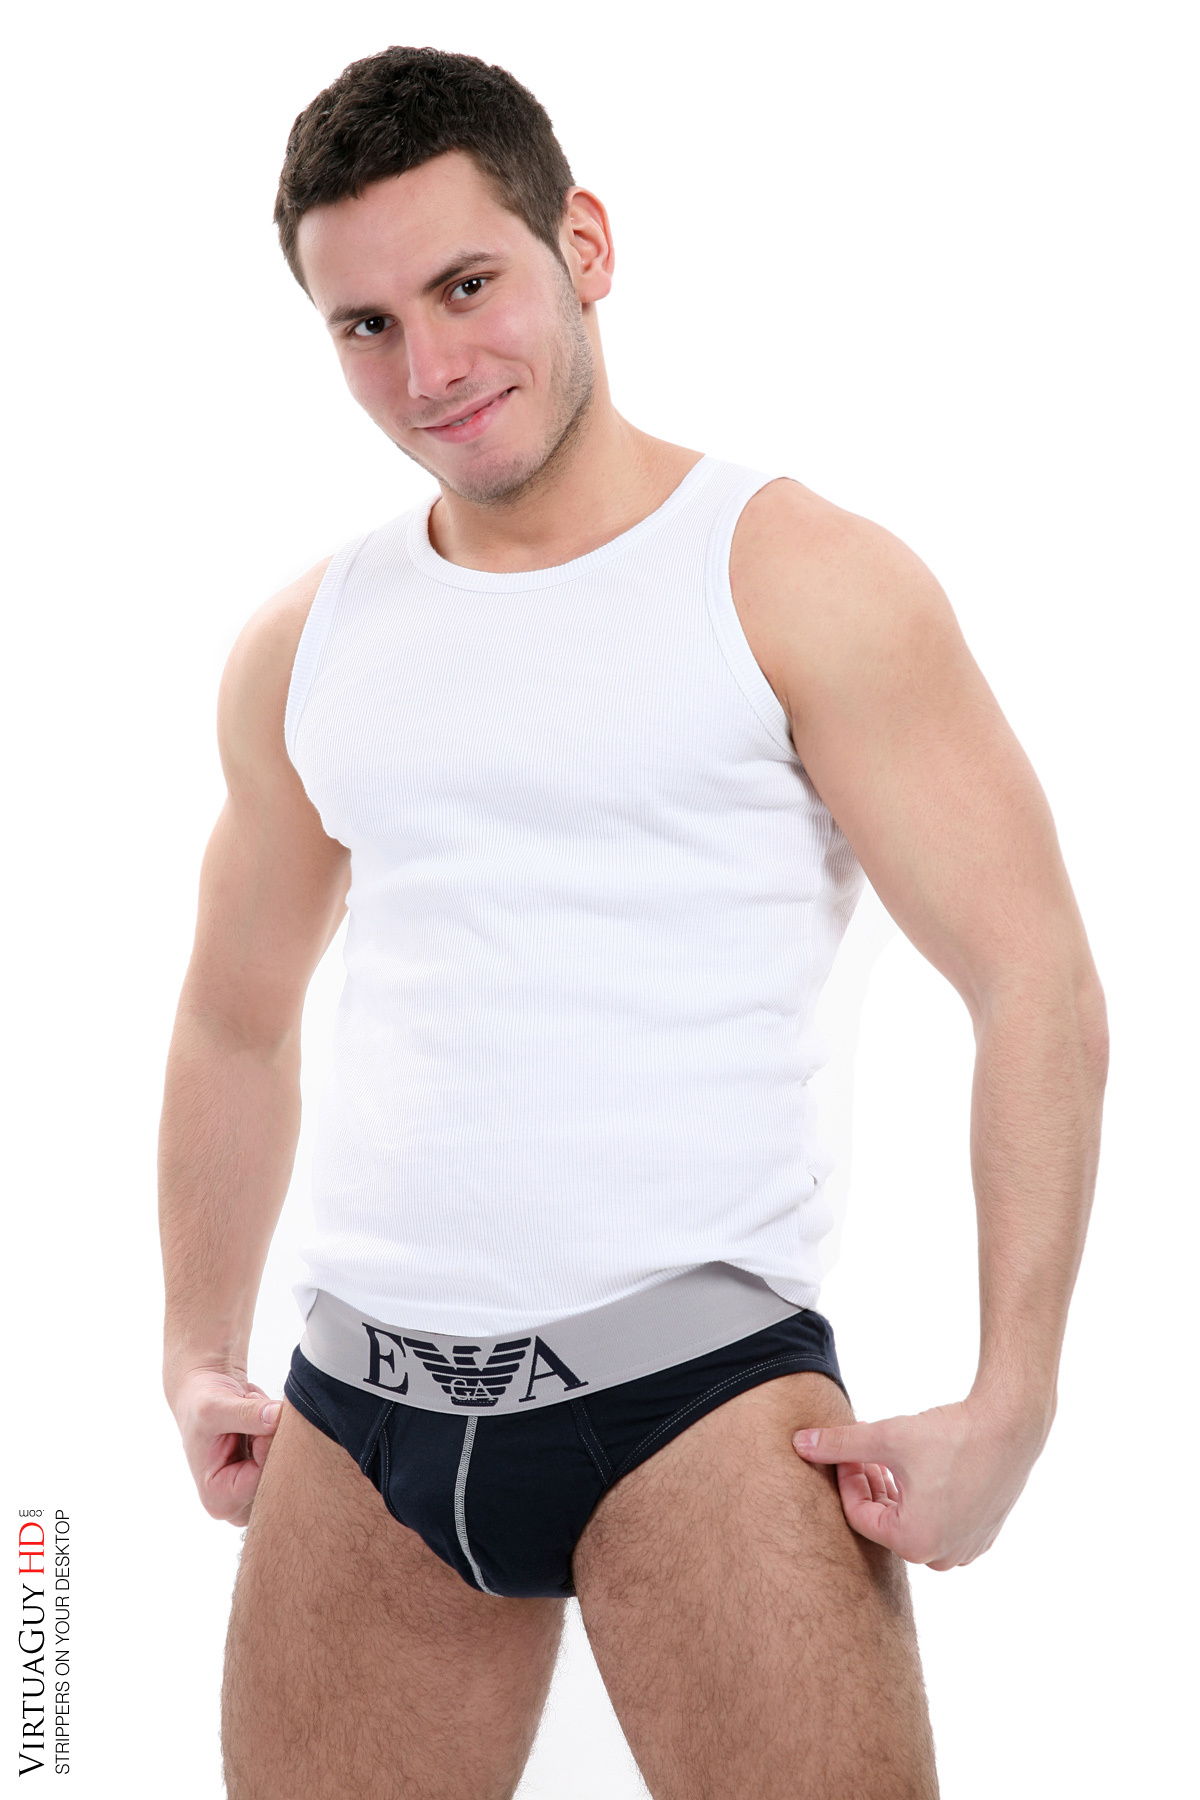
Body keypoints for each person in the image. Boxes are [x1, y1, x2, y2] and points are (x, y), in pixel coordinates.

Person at [157, 43, 1107, 1800]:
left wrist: (1018, 1392)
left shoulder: (796, 575)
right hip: (356, 1423)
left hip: (695, 1402)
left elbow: (1029, 970)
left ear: (582, 244)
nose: (430, 369)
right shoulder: (308, 642)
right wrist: (197, 1347)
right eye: (366, 324)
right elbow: (233, 1014)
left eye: (466, 286)